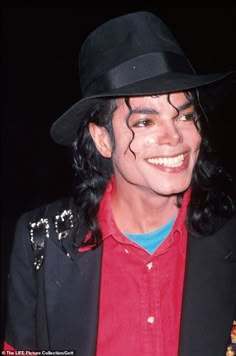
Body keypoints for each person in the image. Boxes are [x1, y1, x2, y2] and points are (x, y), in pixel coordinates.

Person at [4, 10, 236, 356]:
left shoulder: (229, 234)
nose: (175, 137)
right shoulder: (43, 243)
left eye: (185, 116)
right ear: (103, 140)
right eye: (144, 122)